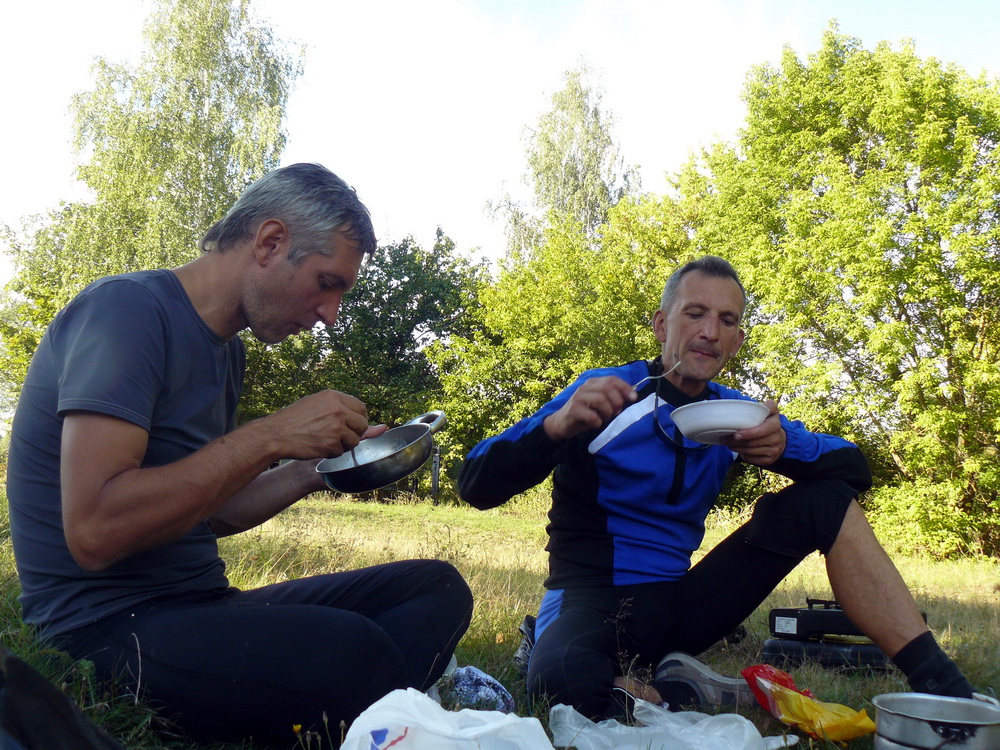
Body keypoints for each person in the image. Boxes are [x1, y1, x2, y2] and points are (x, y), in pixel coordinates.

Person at [5, 163, 473, 746]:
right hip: (100, 625)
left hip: (201, 605)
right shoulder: (127, 311)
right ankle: (373, 709)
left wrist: (315, 470)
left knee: (435, 590)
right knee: (353, 651)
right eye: (327, 283)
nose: (330, 314)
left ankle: (364, 712)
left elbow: (209, 509)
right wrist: (270, 434)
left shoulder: (225, 351)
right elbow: (95, 531)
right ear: (270, 242)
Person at [458, 255, 973, 719]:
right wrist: (555, 427)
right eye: (695, 314)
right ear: (662, 325)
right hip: (588, 599)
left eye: (727, 321)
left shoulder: (736, 414)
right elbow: (474, 484)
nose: (710, 332)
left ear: (737, 342)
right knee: (562, 691)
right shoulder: (607, 392)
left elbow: (854, 468)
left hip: (680, 606)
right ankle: (680, 691)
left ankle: (945, 689)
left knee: (826, 499)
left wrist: (781, 447)